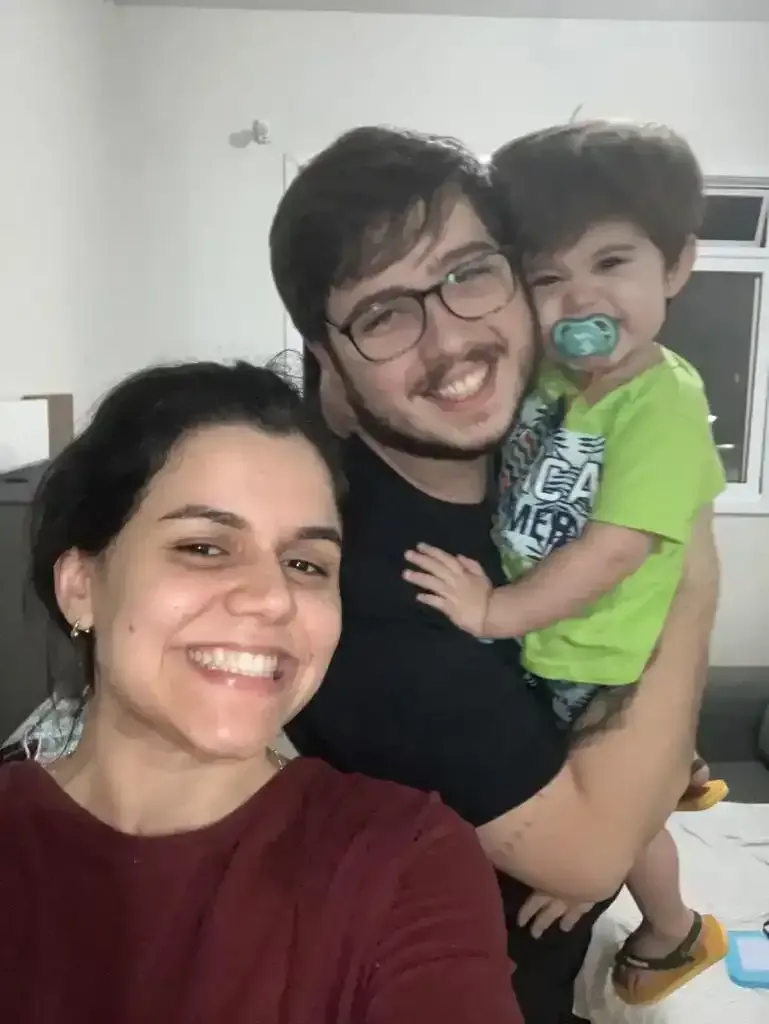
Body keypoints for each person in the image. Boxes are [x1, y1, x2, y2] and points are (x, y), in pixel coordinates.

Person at [268, 125, 720, 1023]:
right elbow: (586, 853)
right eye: (383, 314)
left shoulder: (541, 442)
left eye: (470, 274)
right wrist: (691, 558)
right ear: (330, 367)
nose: (450, 340)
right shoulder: (366, 591)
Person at [0, 361, 523, 1024]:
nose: (274, 598)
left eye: (306, 564)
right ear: (81, 587)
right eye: (204, 548)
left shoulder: (402, 862)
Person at [402, 120, 730, 1007]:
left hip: (599, 663)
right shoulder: (552, 380)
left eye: (611, 262)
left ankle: (672, 931)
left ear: (675, 265)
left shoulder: (660, 402)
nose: (580, 298)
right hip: (556, 653)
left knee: (615, 821)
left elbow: (615, 548)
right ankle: (677, 779)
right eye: (548, 278)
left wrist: (495, 613)